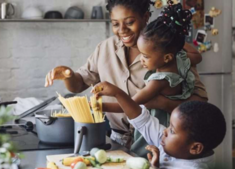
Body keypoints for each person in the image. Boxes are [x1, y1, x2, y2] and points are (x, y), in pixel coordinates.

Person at [44, 0, 208, 147]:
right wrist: (68, 75)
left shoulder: (168, 51)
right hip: (117, 140)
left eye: (129, 22)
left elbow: (199, 105)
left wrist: (160, 103)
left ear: (145, 17)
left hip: (160, 141)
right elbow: (78, 85)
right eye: (115, 24)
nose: (122, 30)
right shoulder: (105, 48)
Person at [95, 1, 200, 157]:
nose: (141, 59)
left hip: (155, 140)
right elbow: (197, 56)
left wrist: (99, 107)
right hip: (167, 140)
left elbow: (132, 105)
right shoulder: (179, 60)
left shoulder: (158, 81)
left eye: (145, 56)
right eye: (115, 23)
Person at [91, 81, 226, 168]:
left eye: (172, 131)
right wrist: (117, 93)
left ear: (195, 148)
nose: (165, 132)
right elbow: (141, 119)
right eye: (169, 126)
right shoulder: (173, 145)